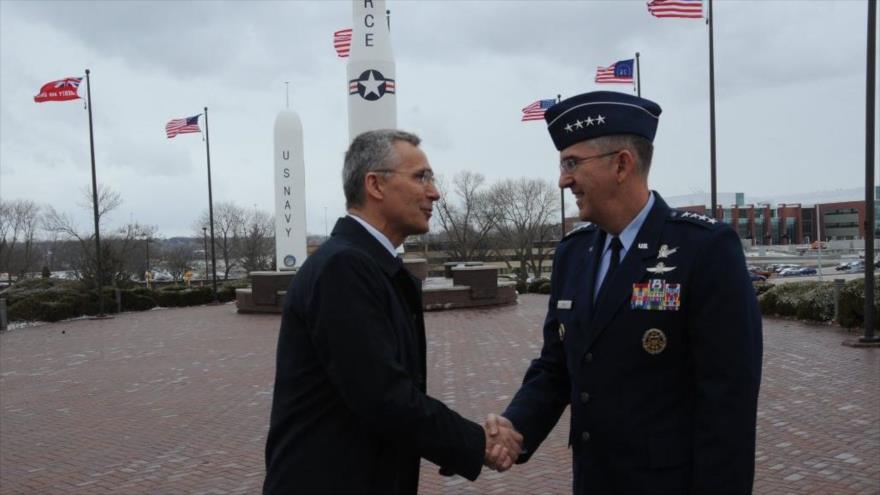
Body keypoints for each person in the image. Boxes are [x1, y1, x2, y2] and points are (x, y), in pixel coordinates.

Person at [486, 91, 763, 494]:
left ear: (621, 164)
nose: (563, 179)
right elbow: (557, 367)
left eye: (572, 163)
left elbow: (728, 405)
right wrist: (516, 426)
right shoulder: (573, 253)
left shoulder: (704, 250)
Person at [264, 129, 522, 494]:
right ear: (375, 185)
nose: (434, 192)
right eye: (421, 177)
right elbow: (383, 396)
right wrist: (477, 443)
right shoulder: (344, 269)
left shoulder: (368, 265)